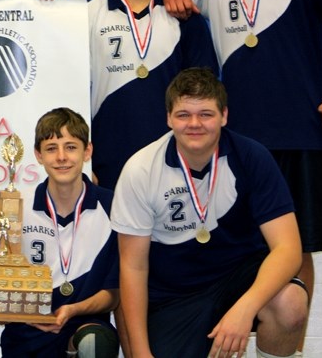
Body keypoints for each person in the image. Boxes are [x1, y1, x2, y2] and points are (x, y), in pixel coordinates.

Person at [160, 0, 322, 348]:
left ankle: (288, 345)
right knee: (241, 246)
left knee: (297, 248)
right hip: (236, 141)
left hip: (300, 134)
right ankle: (233, 333)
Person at [111, 67, 308, 357]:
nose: (195, 124)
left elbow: (289, 248)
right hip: (174, 295)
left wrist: (245, 308)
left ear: (224, 116)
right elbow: (133, 268)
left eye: (205, 114)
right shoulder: (140, 170)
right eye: (183, 115)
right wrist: (142, 354)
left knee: (290, 304)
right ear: (168, 118)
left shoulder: (252, 157)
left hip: (238, 278)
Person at [89, 0, 217, 190]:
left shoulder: (184, 17)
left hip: (173, 159)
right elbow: (68, 93)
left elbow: (205, 94)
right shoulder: (87, 15)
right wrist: (82, 161)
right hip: (106, 160)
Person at [0, 107, 119, 358]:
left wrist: (73, 310)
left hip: (82, 322)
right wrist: (17, 311)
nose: (62, 157)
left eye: (71, 147)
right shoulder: (15, 208)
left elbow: (113, 294)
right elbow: (0, 282)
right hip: (27, 330)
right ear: (38, 155)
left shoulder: (113, 207)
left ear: (87, 151)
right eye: (52, 148)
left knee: (95, 341)